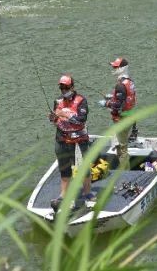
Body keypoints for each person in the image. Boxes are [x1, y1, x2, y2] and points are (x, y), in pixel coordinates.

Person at [49, 74, 93, 211]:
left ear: (72, 87)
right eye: (61, 87)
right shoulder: (57, 101)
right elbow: (56, 119)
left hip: (79, 140)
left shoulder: (81, 101)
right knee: (64, 168)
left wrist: (64, 115)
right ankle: (63, 195)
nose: (63, 90)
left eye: (66, 87)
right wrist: (53, 118)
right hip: (62, 139)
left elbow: (81, 120)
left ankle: (87, 194)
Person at [98, 57, 138, 168]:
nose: (113, 68)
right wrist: (112, 97)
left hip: (122, 120)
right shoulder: (130, 82)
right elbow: (128, 97)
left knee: (122, 148)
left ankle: (126, 173)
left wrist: (106, 103)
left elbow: (117, 105)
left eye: (116, 66)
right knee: (121, 146)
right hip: (130, 116)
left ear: (123, 68)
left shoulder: (120, 85)